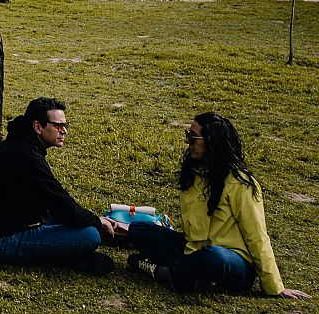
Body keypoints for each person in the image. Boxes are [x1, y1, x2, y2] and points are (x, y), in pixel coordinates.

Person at [127, 113, 311, 299]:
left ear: (211, 141)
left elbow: (257, 236)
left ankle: (165, 272)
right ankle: (192, 275)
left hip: (231, 261)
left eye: (193, 137)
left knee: (213, 256)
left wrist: (275, 286)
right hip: (194, 251)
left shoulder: (241, 183)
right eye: (188, 136)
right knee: (137, 230)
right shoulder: (193, 174)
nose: (188, 142)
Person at [0, 97, 116, 275]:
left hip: (22, 222)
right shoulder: (25, 155)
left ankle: (69, 252)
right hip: (0, 240)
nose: (64, 131)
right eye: (57, 126)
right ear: (37, 127)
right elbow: (60, 201)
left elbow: (55, 203)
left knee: (80, 222)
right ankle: (67, 256)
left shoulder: (22, 145)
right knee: (90, 236)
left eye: (65, 125)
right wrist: (97, 223)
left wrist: (94, 220)